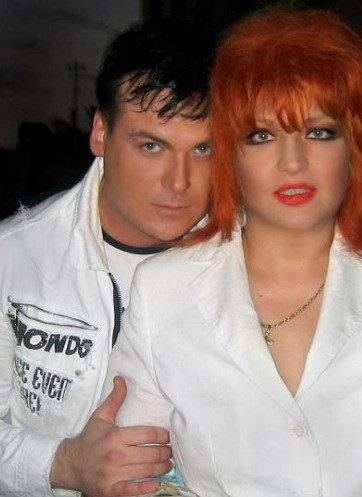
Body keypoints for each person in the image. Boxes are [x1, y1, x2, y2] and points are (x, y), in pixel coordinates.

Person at [104, 6, 362, 496]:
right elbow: (132, 473)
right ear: (230, 155)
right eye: (262, 136)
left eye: (319, 132)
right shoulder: (162, 290)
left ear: (355, 146)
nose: (293, 162)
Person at [0, 19, 215, 497]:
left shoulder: (249, 266)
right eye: (151, 145)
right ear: (101, 133)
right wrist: (62, 464)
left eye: (203, 148)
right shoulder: (13, 258)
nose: (179, 182)